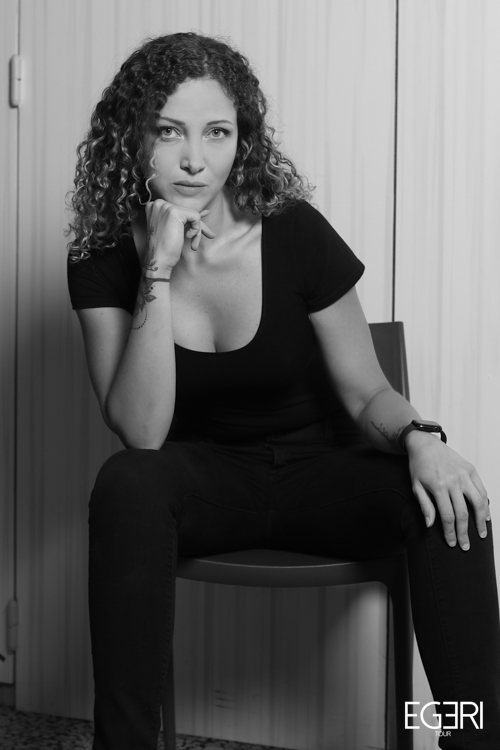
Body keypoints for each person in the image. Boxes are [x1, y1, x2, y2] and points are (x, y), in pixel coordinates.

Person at [67, 32, 500, 750]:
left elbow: (366, 393)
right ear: (132, 136)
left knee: (450, 503)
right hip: (207, 483)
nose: (194, 158)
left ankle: (473, 738)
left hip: (321, 474)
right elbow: (141, 432)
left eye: (217, 132)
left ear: (243, 140)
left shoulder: (294, 232)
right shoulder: (103, 256)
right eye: (169, 131)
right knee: (126, 483)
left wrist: (424, 440)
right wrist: (159, 268)